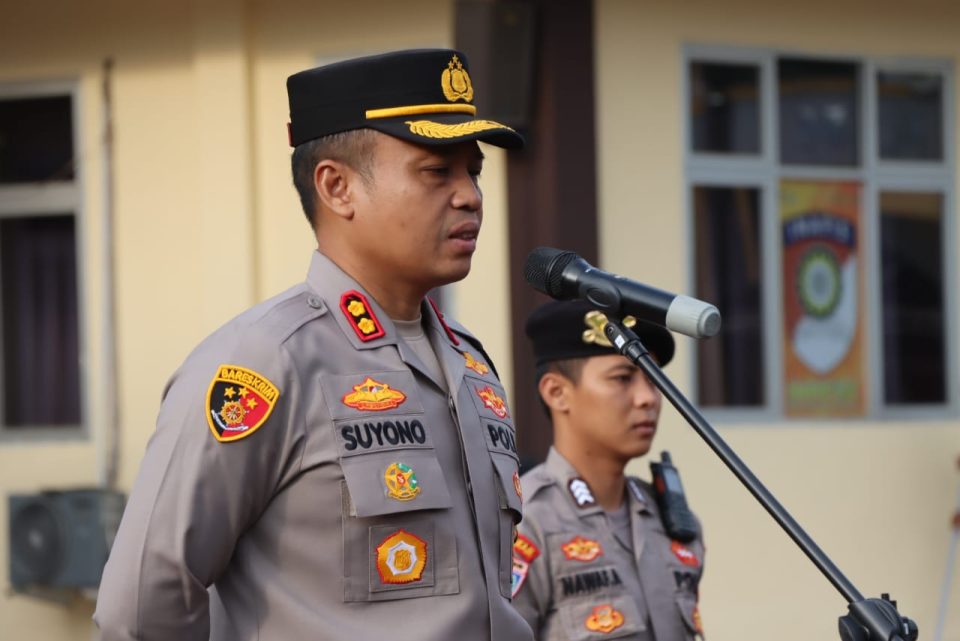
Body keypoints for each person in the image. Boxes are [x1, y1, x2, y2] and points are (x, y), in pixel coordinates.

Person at [94, 49, 533, 641]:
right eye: (437, 171)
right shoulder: (265, 362)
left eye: (473, 172)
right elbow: (142, 605)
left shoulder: (468, 361)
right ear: (337, 187)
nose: (470, 196)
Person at [511, 300, 705, 640]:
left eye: (653, 380)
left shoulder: (671, 521)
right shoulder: (525, 523)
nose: (647, 398)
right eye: (622, 378)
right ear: (557, 393)